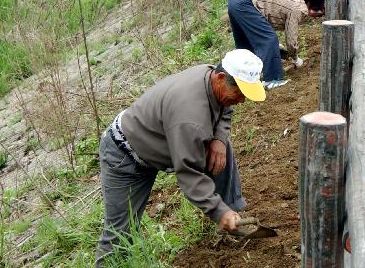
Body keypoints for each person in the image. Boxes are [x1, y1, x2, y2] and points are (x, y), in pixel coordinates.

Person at [96, 49, 265, 265]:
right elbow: (189, 175)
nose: (242, 100)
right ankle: (225, 214)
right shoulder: (190, 118)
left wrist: (220, 139)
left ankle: (234, 219)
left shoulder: (211, 77)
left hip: (160, 138)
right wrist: (216, 211)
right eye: (240, 93)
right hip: (125, 156)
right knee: (119, 233)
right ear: (221, 78)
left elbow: (226, 109)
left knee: (221, 148)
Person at [227, 0, 324, 89]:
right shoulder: (298, 7)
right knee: (269, 40)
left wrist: (277, 48)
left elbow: (263, 21)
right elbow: (291, 37)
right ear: (309, 2)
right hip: (246, 2)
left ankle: (242, 77)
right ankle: (272, 80)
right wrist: (295, 58)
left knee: (246, 43)